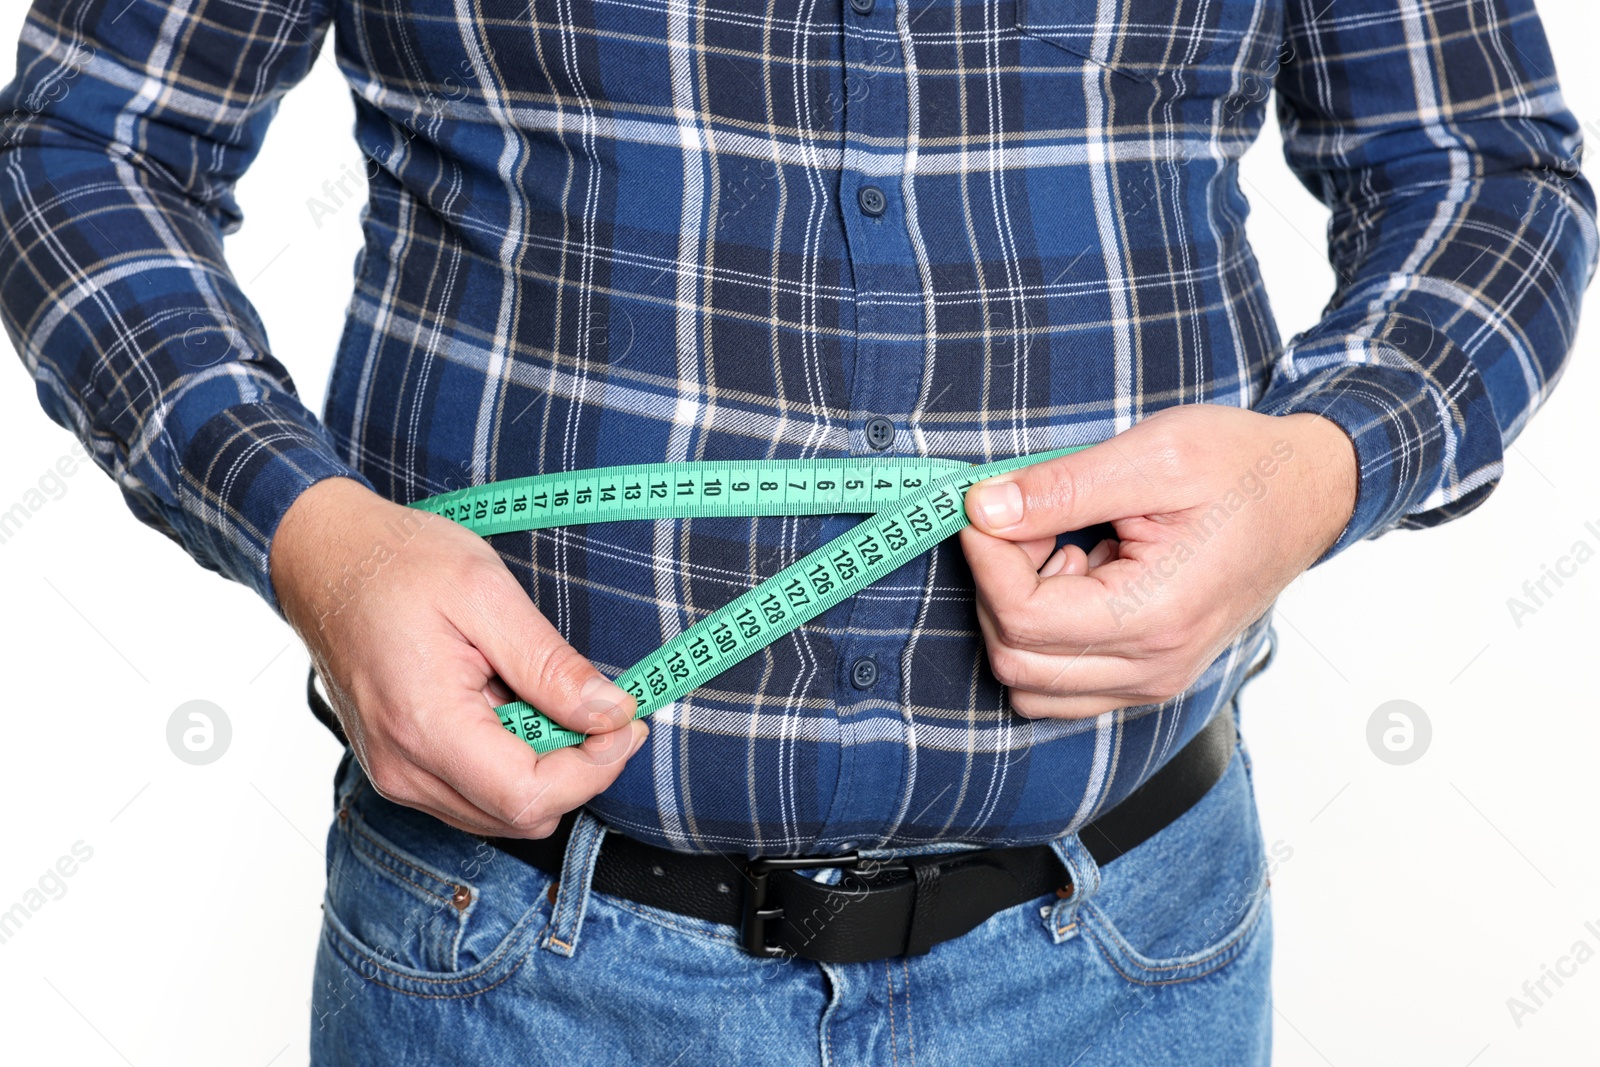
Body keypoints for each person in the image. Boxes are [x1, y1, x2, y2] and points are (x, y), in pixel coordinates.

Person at [1, 0, 1593, 1062]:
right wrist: (310, 533)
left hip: (1125, 952)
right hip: (512, 965)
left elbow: (1484, 166)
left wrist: (1328, 462)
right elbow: (91, 141)